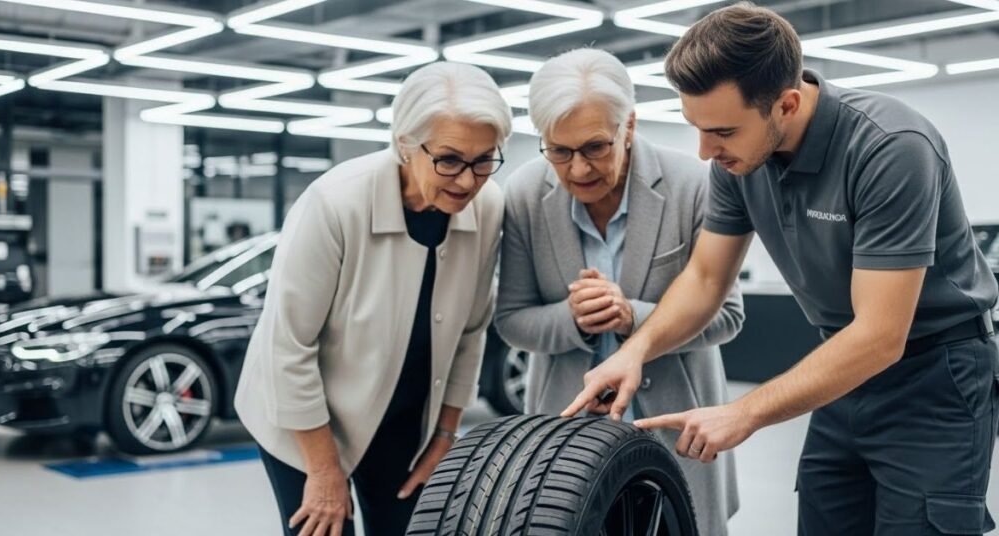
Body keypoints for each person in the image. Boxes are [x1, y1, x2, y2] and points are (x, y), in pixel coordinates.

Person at [561, 4, 999, 535]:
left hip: (936, 374)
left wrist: (744, 412)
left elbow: (883, 335)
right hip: (841, 365)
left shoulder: (890, 148)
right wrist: (633, 352)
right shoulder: (736, 159)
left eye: (720, 130)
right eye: (695, 128)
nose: (704, 152)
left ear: (786, 104)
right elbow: (704, 280)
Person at [234, 62, 511, 536]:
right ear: (405, 143)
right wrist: (324, 472)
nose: (467, 181)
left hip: (404, 419)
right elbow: (288, 346)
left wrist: (445, 435)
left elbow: (471, 331)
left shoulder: (486, 208)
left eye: (484, 160)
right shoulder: (335, 203)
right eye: (449, 160)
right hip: (306, 421)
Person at [494, 48, 745, 536]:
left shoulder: (693, 185)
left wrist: (632, 315)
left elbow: (729, 314)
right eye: (559, 152)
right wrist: (573, 319)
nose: (579, 170)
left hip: (677, 431)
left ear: (627, 126)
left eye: (595, 148)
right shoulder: (524, 194)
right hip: (565, 437)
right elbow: (512, 320)